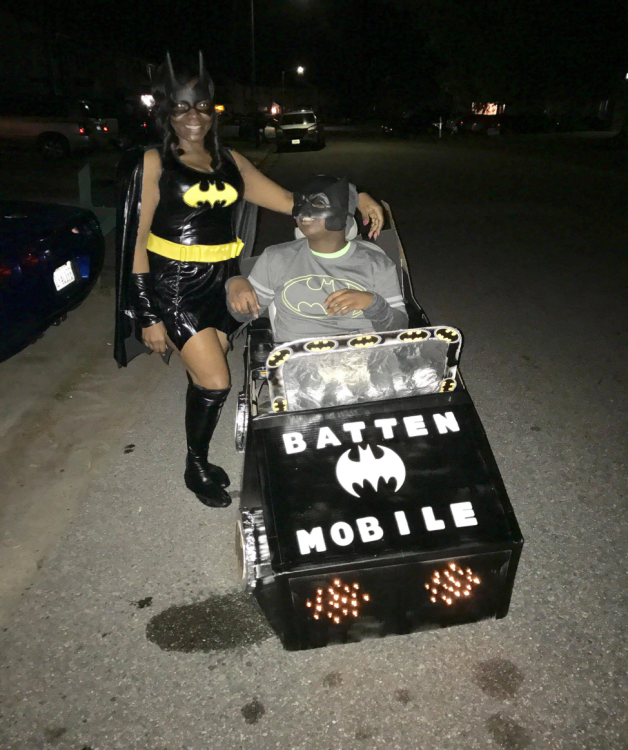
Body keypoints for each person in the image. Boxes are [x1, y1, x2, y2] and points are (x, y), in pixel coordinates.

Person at [114, 52, 384, 510]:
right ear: (165, 112)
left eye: (200, 106)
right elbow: (137, 241)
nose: (192, 116)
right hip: (173, 285)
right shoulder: (153, 162)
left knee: (206, 367)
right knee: (216, 380)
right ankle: (194, 464)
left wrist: (354, 194)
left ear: (212, 109)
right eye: (180, 107)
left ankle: (195, 439)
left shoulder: (231, 161)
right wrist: (147, 315)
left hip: (221, 280)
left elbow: (290, 200)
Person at [226, 175, 408, 342]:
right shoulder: (276, 258)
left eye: (318, 204)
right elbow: (243, 315)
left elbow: (398, 328)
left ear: (344, 216)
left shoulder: (377, 263)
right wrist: (235, 284)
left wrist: (371, 303)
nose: (303, 213)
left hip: (365, 357)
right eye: (300, 203)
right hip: (300, 361)